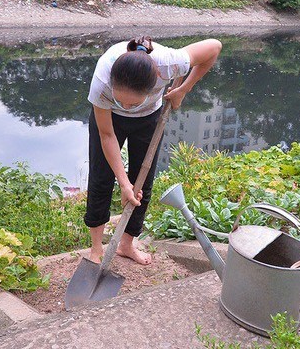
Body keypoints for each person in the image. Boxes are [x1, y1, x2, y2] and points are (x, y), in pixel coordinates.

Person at [85, 36, 222, 265]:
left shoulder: (169, 64)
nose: (126, 107)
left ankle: (127, 245)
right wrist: (123, 183)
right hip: (110, 122)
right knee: (101, 179)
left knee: (143, 182)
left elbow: (214, 47)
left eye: (132, 103)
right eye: (122, 101)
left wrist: (183, 89)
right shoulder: (101, 79)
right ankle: (96, 249)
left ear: (155, 83)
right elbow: (107, 135)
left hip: (148, 119)